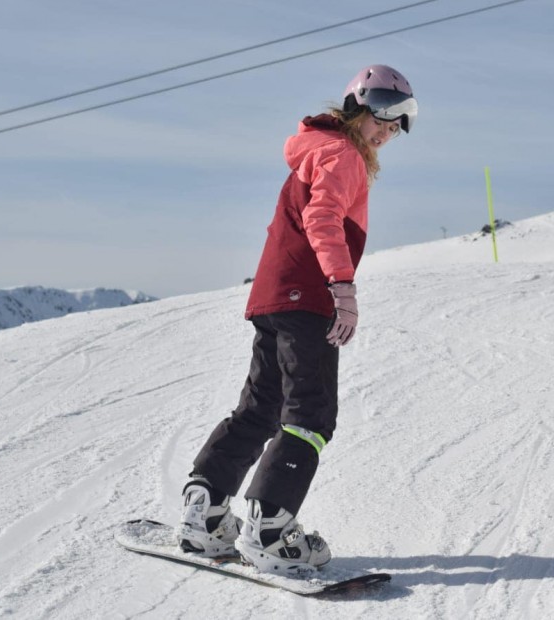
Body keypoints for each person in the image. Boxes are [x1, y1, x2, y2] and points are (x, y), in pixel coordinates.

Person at [178, 64, 418, 574]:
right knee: (310, 416)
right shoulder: (344, 154)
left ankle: (205, 512)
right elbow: (322, 218)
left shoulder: (315, 149)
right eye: (383, 114)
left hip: (273, 297)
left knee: (261, 408)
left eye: (399, 122)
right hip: (306, 297)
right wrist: (342, 286)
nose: (389, 129)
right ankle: (268, 530)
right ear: (356, 105)